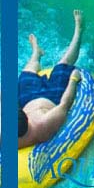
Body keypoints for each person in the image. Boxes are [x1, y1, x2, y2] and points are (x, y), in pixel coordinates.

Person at [18, 10, 85, 149]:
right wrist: (73, 79)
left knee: (26, 73)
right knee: (64, 62)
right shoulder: (43, 124)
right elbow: (65, 104)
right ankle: (79, 30)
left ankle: (36, 52)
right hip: (53, 97)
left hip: (28, 99)